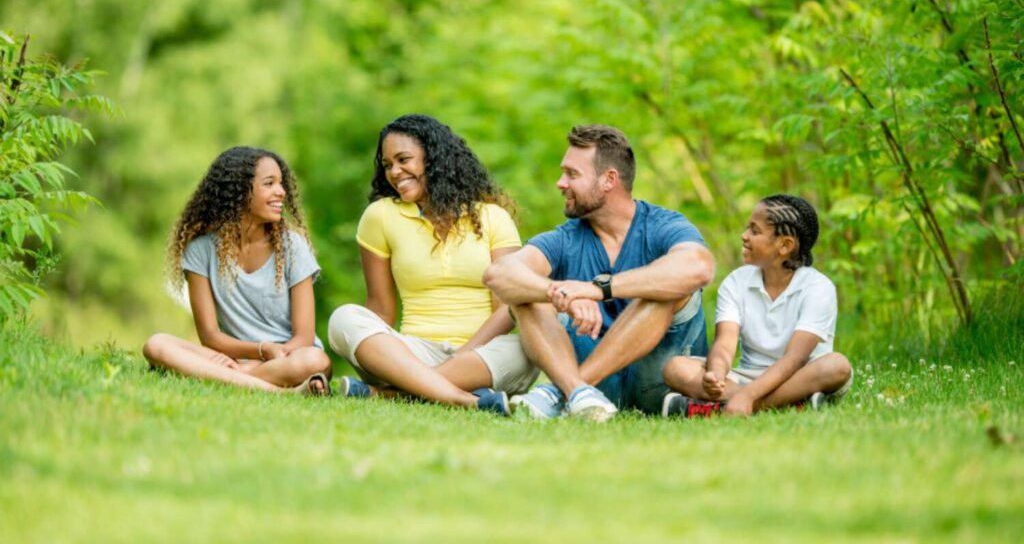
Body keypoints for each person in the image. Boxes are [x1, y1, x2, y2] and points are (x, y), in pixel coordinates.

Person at [483, 124, 715, 421]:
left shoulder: (662, 225)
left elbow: (698, 266)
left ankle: (564, 391)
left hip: (662, 384)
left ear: (609, 180)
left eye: (572, 174)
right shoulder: (565, 238)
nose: (560, 183)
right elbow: (499, 274)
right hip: (597, 397)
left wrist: (597, 289)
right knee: (525, 293)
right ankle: (578, 391)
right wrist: (559, 294)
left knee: (666, 287)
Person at [328, 114, 538, 416]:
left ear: (434, 158)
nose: (395, 172)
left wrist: (462, 358)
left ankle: (393, 394)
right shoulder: (381, 216)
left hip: (482, 355)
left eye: (403, 159)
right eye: (387, 165)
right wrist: (374, 348)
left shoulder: (493, 217)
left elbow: (506, 308)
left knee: (528, 346)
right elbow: (381, 309)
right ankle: (467, 399)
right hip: (413, 353)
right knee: (343, 318)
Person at [143, 146, 332, 394]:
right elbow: (210, 336)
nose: (281, 192)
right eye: (269, 183)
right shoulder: (201, 250)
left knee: (316, 361)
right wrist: (260, 351)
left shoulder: (292, 246)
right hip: (235, 357)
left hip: (290, 359)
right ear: (240, 191)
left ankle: (229, 378)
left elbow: (304, 337)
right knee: (157, 345)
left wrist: (265, 359)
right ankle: (282, 391)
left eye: (281, 183)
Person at [661, 194, 853, 417]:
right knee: (676, 368)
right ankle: (790, 404)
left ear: (785, 245)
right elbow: (725, 342)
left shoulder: (818, 287)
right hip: (748, 375)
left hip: (800, 374)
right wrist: (716, 373)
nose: (744, 236)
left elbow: (795, 358)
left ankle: (729, 408)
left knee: (837, 366)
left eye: (755, 231)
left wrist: (748, 396)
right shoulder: (735, 282)